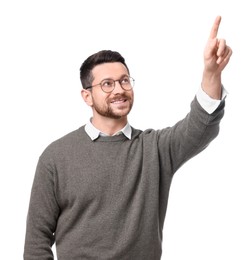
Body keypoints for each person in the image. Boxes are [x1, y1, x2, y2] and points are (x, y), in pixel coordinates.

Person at [24, 16, 232, 260]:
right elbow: (37, 242)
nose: (119, 90)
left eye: (124, 81)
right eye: (107, 84)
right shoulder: (56, 157)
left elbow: (200, 128)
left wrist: (211, 74)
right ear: (87, 96)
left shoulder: (154, 148)